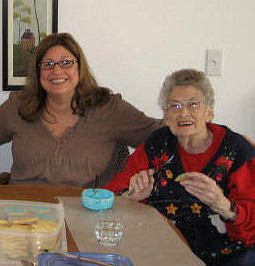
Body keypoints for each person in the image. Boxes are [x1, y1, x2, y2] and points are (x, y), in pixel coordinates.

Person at [105, 69, 255, 266]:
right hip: (163, 250)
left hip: (225, 256)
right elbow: (112, 194)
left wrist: (223, 206)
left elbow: (251, 228)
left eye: (193, 104)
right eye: (174, 106)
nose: (184, 112)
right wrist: (131, 198)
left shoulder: (236, 151)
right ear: (166, 115)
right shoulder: (157, 145)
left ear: (209, 111)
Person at [0, 32, 162, 187]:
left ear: (80, 67)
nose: (56, 71)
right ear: (38, 71)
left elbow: (160, 135)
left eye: (66, 62)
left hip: (87, 211)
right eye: (48, 64)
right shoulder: (18, 106)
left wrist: (182, 111)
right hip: (22, 209)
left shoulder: (109, 108)